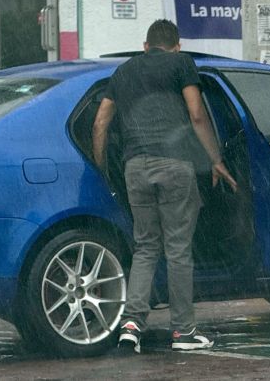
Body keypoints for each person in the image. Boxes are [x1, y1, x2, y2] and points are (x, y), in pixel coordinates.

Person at [92, 19, 237, 354]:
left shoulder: (125, 70)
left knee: (145, 247)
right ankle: (183, 332)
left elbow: (101, 121)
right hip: (174, 165)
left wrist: (103, 167)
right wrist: (215, 159)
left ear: (145, 46)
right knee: (177, 251)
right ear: (177, 45)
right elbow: (197, 114)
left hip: (135, 167)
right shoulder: (181, 64)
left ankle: (131, 325)